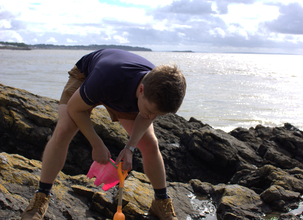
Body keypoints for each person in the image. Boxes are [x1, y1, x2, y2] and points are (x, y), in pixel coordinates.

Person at [21, 49, 186, 220]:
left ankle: (161, 201)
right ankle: (42, 196)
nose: (152, 118)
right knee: (64, 130)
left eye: (158, 115)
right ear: (142, 89)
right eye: (151, 111)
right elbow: (75, 108)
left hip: (124, 91)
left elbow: (146, 117)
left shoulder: (156, 88)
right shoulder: (106, 79)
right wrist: (96, 143)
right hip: (89, 76)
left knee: (150, 143)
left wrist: (130, 148)